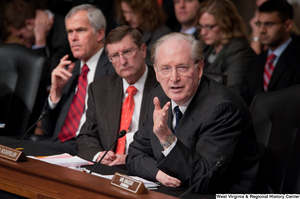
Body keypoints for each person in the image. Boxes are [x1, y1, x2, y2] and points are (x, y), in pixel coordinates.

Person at [126, 32, 261, 194]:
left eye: (182, 67)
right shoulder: (159, 97)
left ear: (199, 69)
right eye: (166, 69)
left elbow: (203, 179)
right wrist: (160, 174)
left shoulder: (223, 108)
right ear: (156, 72)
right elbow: (134, 155)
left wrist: (166, 139)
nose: (174, 78)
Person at [77, 25, 159, 165]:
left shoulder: (162, 87)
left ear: (143, 50)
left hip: (146, 169)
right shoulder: (99, 89)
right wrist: (99, 155)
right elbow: (86, 136)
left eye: (127, 52)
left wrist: (129, 159)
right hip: (107, 168)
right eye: (115, 56)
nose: (123, 61)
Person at [39, 4, 115, 155]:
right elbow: (49, 131)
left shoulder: (114, 71)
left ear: (100, 34)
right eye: (69, 32)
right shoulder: (69, 71)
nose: (73, 38)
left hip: (89, 148)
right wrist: (55, 94)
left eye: (80, 30)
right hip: (59, 146)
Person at [242, 0, 300, 106]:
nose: (262, 30)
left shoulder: (297, 58)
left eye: (269, 24)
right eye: (259, 24)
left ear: (288, 25)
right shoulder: (254, 63)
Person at [198, 0, 255, 96]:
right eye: (201, 27)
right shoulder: (208, 48)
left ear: (226, 23)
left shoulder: (239, 50)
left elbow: (230, 88)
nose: (203, 32)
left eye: (209, 27)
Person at [4, 0, 71, 72]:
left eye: (21, 36)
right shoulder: (31, 40)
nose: (21, 41)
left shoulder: (63, 38)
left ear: (30, 24)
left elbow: (43, 77)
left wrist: (40, 42)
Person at [115, 0, 171, 65]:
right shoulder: (124, 31)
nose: (128, 18)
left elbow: (158, 66)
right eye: (124, 12)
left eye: (132, 12)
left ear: (146, 10)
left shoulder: (162, 34)